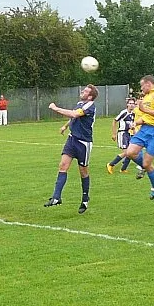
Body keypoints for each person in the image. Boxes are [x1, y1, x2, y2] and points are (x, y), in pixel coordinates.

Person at [44, 84, 99, 214]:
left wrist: (55, 108)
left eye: (85, 91)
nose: (82, 91)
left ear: (90, 96)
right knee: (63, 165)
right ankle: (56, 197)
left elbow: (75, 114)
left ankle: (85, 199)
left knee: (83, 171)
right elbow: (73, 117)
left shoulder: (90, 105)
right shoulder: (80, 103)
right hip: (72, 139)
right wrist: (65, 126)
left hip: (84, 143)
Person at [125, 75, 154, 200]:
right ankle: (145, 168)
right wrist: (136, 123)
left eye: (142, 85)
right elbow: (147, 117)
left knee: (146, 163)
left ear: (148, 84)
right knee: (130, 152)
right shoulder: (146, 96)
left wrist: (143, 108)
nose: (141, 88)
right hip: (145, 130)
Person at [106, 98, 136, 174]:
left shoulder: (133, 114)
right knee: (126, 152)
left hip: (128, 134)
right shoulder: (124, 113)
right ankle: (110, 164)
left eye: (133, 103)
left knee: (131, 152)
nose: (132, 105)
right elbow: (115, 121)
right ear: (127, 104)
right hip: (122, 133)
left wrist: (134, 132)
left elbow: (132, 125)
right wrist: (114, 133)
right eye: (130, 103)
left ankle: (123, 169)